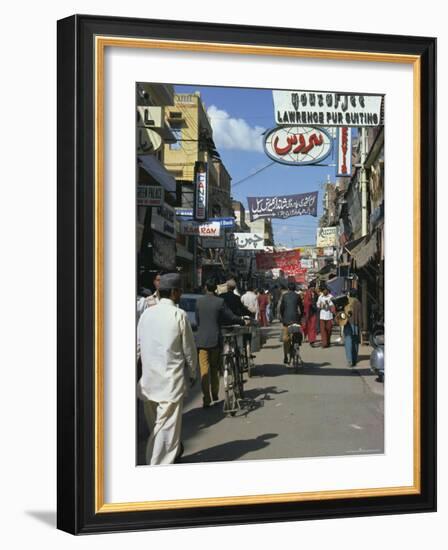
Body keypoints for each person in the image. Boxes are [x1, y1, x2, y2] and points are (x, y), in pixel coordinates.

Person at [137, 273, 198, 465]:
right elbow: (189, 349)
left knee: (158, 427)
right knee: (165, 432)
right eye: (179, 291)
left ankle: (162, 459)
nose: (180, 294)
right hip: (169, 384)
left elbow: (138, 346)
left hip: (148, 382)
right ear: (173, 292)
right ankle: (156, 468)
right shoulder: (178, 314)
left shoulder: (146, 313)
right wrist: (194, 372)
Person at [195, 279, 248, 408]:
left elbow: (198, 321)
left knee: (204, 371)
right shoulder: (219, 302)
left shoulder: (199, 301)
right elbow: (230, 316)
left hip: (201, 341)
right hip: (215, 340)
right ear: (216, 288)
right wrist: (242, 321)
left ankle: (206, 399)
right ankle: (214, 394)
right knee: (214, 368)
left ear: (206, 287)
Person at [279, 281, 303, 364]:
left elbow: (282, 308)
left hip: (286, 320)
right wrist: (300, 317)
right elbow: (301, 308)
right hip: (296, 319)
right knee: (298, 333)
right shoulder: (298, 296)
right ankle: (298, 344)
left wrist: (283, 318)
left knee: (286, 339)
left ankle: (285, 356)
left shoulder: (284, 296)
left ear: (288, 288)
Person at [343, 288, 362, 366]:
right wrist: (361, 326)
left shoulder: (346, 301)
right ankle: (354, 359)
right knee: (355, 342)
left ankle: (349, 360)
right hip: (356, 324)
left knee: (348, 342)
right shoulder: (358, 302)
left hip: (347, 323)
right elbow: (360, 316)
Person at [303, 282, 318, 346]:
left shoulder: (314, 293)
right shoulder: (308, 293)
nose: (314, 288)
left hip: (313, 312)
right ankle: (308, 337)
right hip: (308, 312)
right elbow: (307, 303)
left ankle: (312, 340)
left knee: (312, 327)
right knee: (307, 326)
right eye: (314, 287)